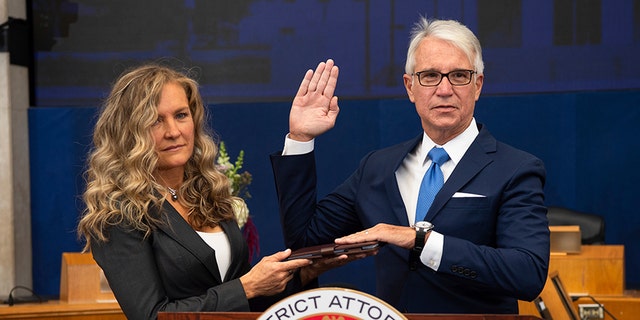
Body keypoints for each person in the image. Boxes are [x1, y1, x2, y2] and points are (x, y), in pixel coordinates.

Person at [270, 17, 550, 314]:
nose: (444, 89)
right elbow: (304, 243)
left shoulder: (515, 169)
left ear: (477, 85)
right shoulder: (377, 167)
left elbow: (527, 274)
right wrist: (300, 139)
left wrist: (421, 241)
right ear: (410, 87)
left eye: (459, 75)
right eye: (429, 76)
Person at [77, 64, 347, 319]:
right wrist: (247, 286)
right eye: (155, 121)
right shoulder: (119, 214)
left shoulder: (209, 193)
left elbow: (241, 303)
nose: (173, 131)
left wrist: (304, 273)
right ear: (128, 133)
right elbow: (151, 315)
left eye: (181, 115)